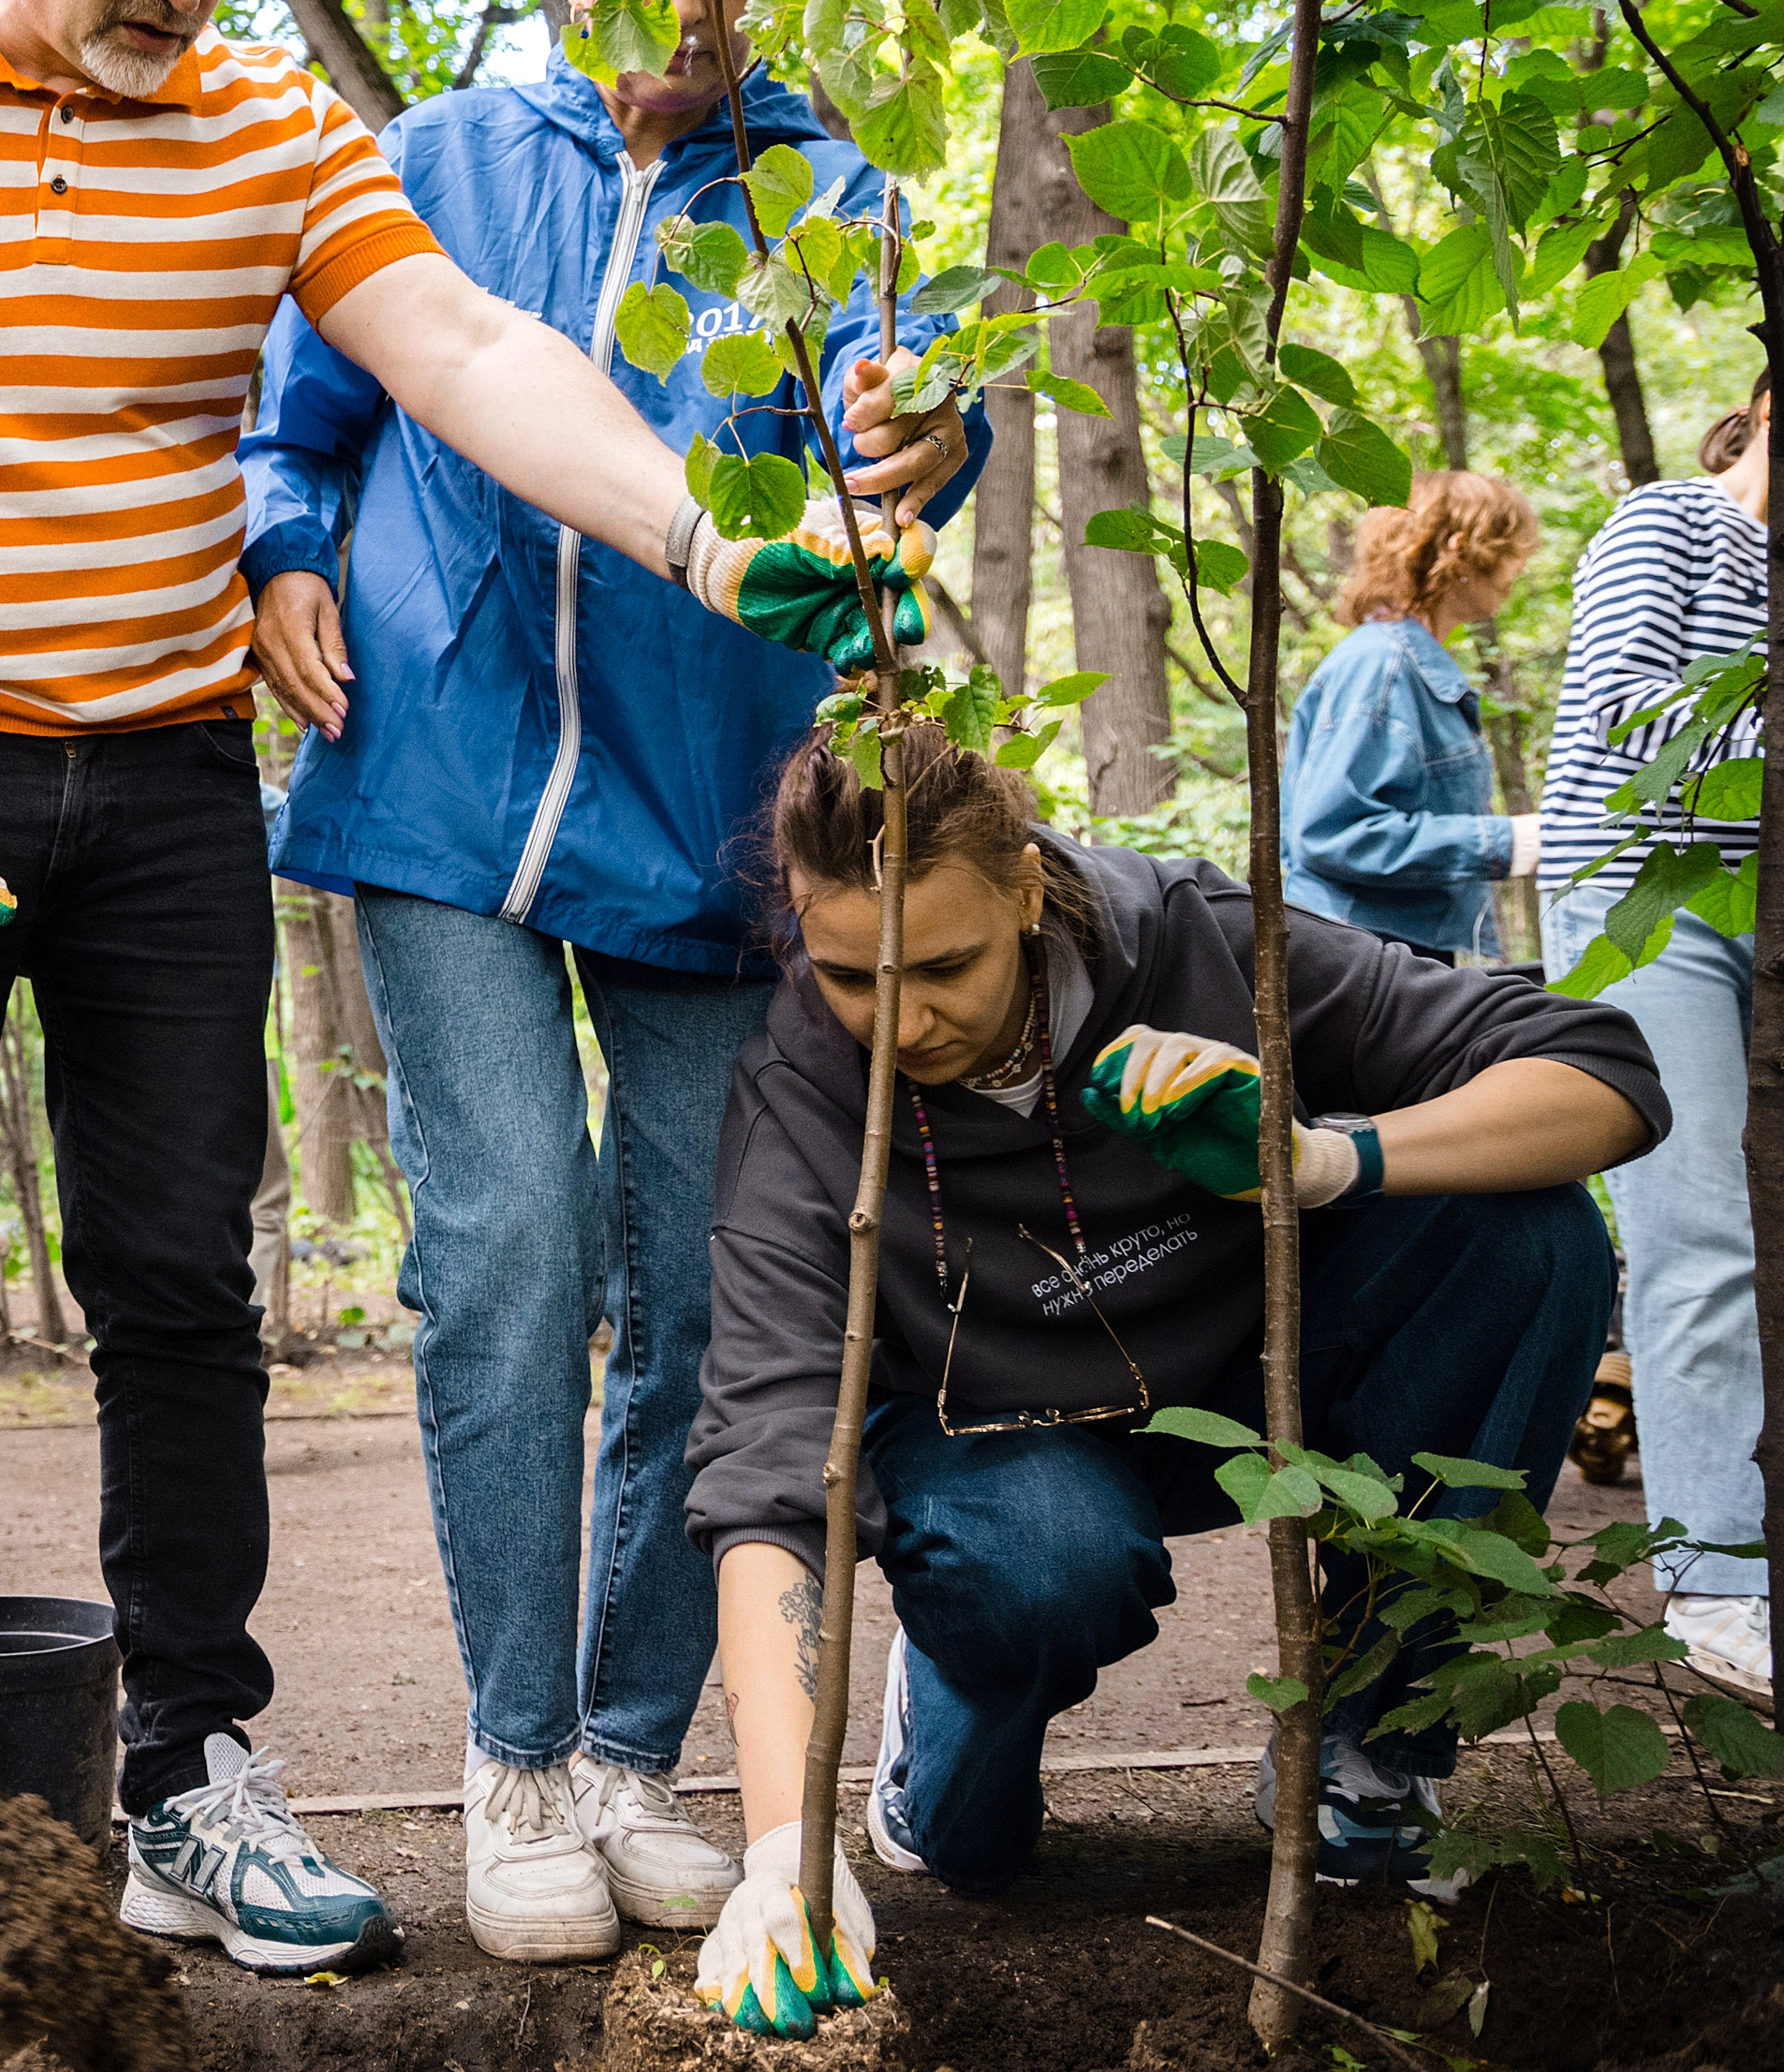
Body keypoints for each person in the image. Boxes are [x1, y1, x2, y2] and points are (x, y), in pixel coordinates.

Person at [0, 0, 963, 2016]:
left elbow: (464, 357)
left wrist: (700, 538)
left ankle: (189, 1765)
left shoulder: (272, 125)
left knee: (182, 1285)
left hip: (168, 781)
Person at [240, 0, 980, 1964]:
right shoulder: (427, 161)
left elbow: (901, 422)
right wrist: (282, 545)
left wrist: (921, 436)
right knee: (510, 1245)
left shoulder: (830, 201)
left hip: (704, 805)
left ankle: (641, 1748)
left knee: (696, 1283)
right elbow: (304, 410)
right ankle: (515, 1750)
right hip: (440, 776)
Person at [682, 724, 1659, 2022]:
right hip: (1001, 1452)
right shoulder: (801, 1090)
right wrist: (783, 1854)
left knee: (1531, 1233)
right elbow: (765, 1472)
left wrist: (1318, 1159)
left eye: (948, 965)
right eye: (853, 975)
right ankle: (952, 1736)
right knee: (1004, 1731)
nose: (902, 1021)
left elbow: (1607, 1072)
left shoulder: (1197, 941)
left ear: (1027, 887)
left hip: (1253, 1386)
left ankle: (1372, 1747)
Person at [1535, 377, 1775, 1702]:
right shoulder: (1673, 524)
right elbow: (1627, 722)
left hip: (1765, 907)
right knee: (1701, 1233)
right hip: (1651, 898)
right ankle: (1719, 1585)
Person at [1283, 468, 1541, 960]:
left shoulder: (1406, 664)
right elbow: (1331, 834)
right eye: (1508, 550)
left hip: (1394, 955)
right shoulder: (1382, 665)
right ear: (1460, 550)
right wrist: (1511, 840)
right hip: (1359, 961)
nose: (1518, 569)